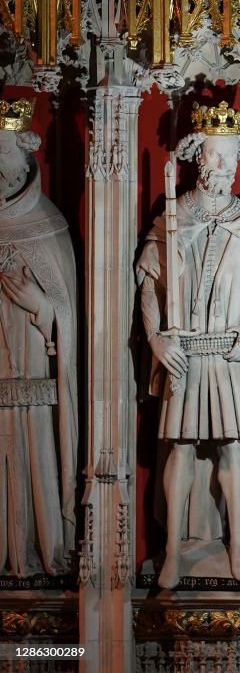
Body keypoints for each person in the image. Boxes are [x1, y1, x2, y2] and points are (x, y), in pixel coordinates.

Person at [136, 102, 240, 589]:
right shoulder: (174, 216)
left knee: (231, 448)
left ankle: (239, 547)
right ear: (198, 157)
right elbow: (147, 283)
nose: (223, 167)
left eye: (229, 158)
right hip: (184, 351)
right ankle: (174, 550)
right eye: (214, 156)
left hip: (227, 352)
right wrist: (158, 338)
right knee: (179, 448)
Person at [0, 98, 78, 577]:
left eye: (2, 153)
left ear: (23, 155)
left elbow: (70, 319)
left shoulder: (46, 224)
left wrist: (43, 307)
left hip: (36, 383)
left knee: (35, 464)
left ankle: (43, 555)